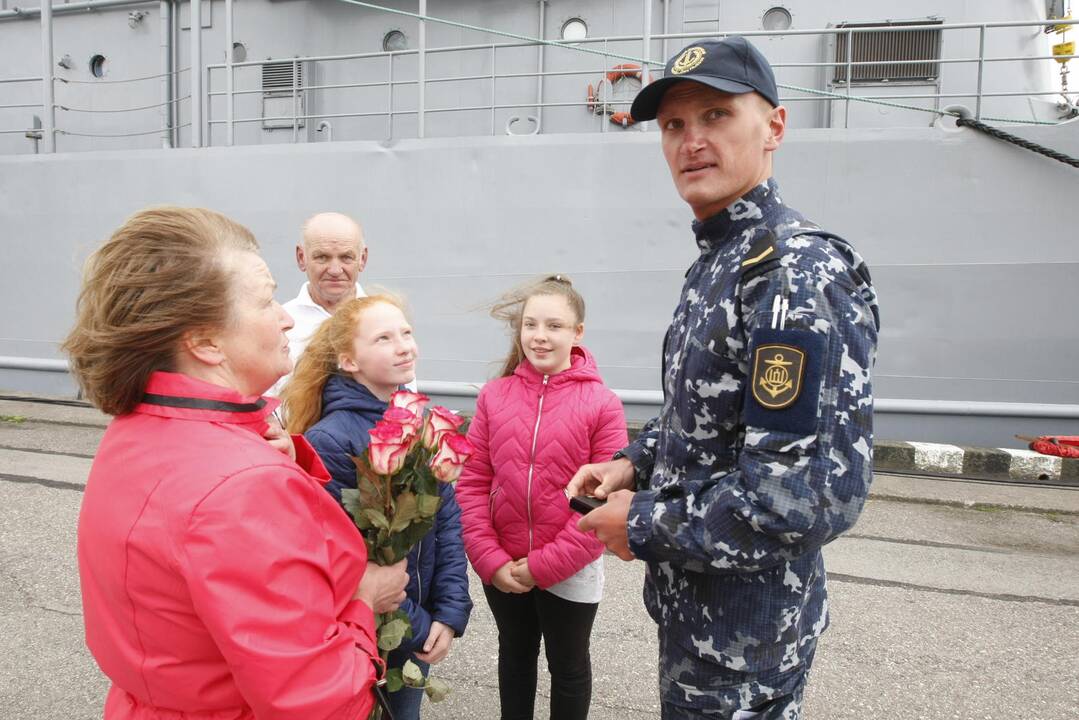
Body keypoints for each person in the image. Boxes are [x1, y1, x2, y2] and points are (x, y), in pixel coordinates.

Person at [567, 37, 881, 719]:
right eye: (674, 125)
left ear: (773, 128)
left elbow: (800, 497)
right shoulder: (724, 260)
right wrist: (631, 463)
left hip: (746, 645)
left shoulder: (795, 274)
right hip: (703, 625)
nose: (690, 141)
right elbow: (705, 415)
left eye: (714, 116)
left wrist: (644, 524)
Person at [64, 207, 409, 720]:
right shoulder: (244, 486)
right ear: (205, 341)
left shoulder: (136, 429)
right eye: (267, 300)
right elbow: (317, 700)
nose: (287, 317)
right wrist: (363, 601)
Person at [282, 295, 472, 720]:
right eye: (384, 338)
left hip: (419, 626)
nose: (404, 345)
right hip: (367, 630)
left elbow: (447, 522)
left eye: (406, 333)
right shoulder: (331, 441)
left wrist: (449, 612)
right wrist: (422, 628)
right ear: (349, 360)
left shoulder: (420, 423)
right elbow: (350, 561)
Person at [456, 275, 629, 720]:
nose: (539, 336)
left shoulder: (602, 404)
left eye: (554, 325)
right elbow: (473, 480)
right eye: (530, 324)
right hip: (505, 561)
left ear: (578, 333)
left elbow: (604, 501)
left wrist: (544, 565)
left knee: (568, 666)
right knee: (514, 657)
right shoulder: (495, 397)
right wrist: (489, 558)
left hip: (570, 564)